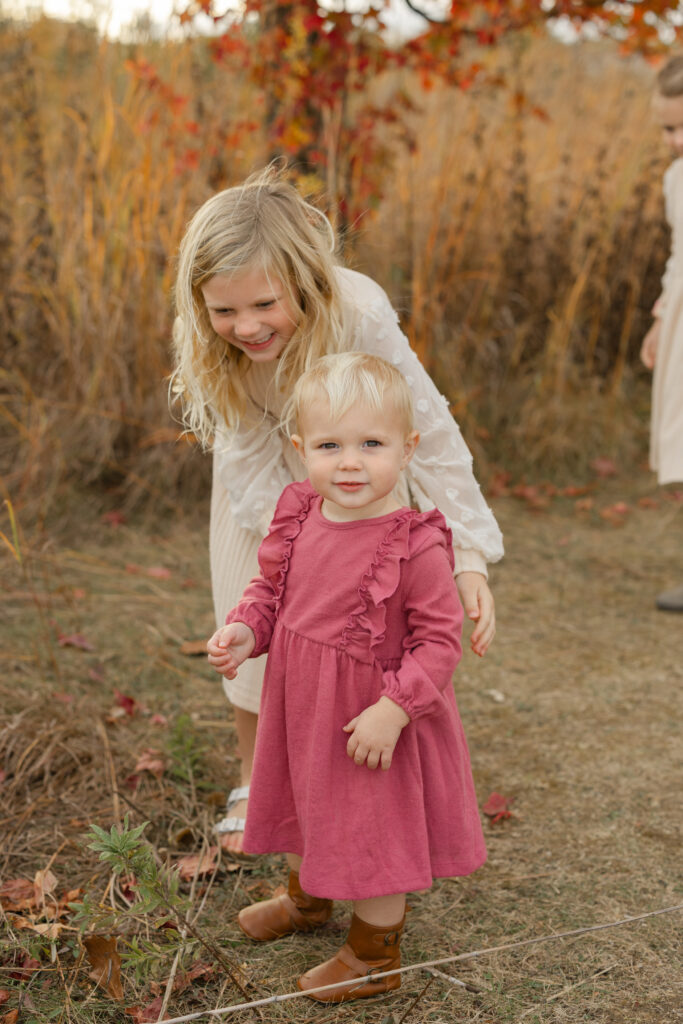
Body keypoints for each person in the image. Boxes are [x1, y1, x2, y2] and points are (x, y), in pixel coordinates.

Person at [172, 164, 503, 854]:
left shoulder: (358, 312)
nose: (245, 326)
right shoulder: (210, 338)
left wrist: (468, 553)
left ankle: (378, 781)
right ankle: (258, 779)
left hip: (364, 473)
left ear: (303, 280)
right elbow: (245, 450)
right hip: (263, 482)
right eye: (224, 311)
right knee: (251, 625)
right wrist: (295, 550)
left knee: (369, 640)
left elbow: (429, 432)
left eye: (265, 304)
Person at [207, 353, 487, 1003]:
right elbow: (271, 592)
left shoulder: (415, 544)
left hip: (372, 717)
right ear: (300, 448)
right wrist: (247, 631)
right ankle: (308, 900)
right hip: (302, 702)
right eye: (330, 445)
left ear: (407, 448)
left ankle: (373, 954)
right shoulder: (299, 514)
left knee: (370, 828)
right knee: (301, 799)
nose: (350, 463)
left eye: (372, 444)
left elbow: (440, 642)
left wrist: (394, 709)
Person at [641, 56, 683, 612]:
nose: (676, 140)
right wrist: (659, 319)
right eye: (668, 128)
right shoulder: (676, 179)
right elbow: (679, 256)